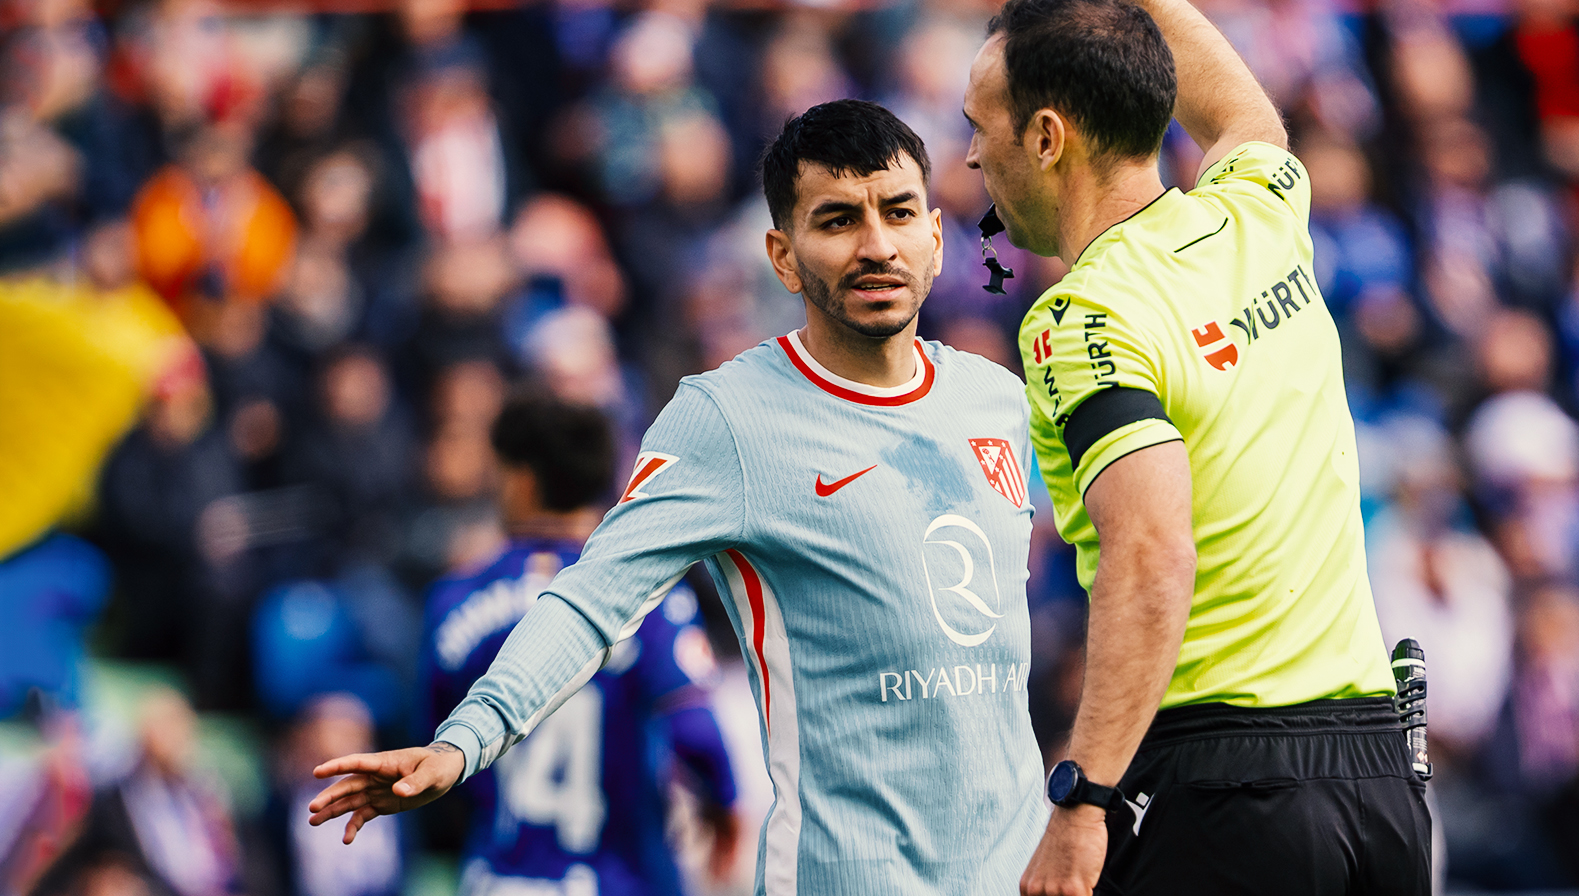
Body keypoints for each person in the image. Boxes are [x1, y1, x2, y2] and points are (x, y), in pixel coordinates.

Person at [308, 100, 1048, 895]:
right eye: (836, 221)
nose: (876, 245)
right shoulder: (727, 419)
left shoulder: (996, 399)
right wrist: (465, 741)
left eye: (898, 212)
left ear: (936, 235)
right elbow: (590, 600)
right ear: (783, 256)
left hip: (1018, 872)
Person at [968, 0, 1430, 895]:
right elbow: (1242, 109)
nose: (970, 160)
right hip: (1381, 791)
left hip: (1229, 796)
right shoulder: (1260, 211)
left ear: (1046, 138)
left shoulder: (1080, 319)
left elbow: (1149, 559)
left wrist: (1082, 801)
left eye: (979, 129)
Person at [419, 392, 739, 896]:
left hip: (496, 878)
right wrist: (725, 808)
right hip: (616, 877)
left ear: (521, 479)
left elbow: (434, 751)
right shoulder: (646, 598)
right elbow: (695, 731)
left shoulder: (453, 601)